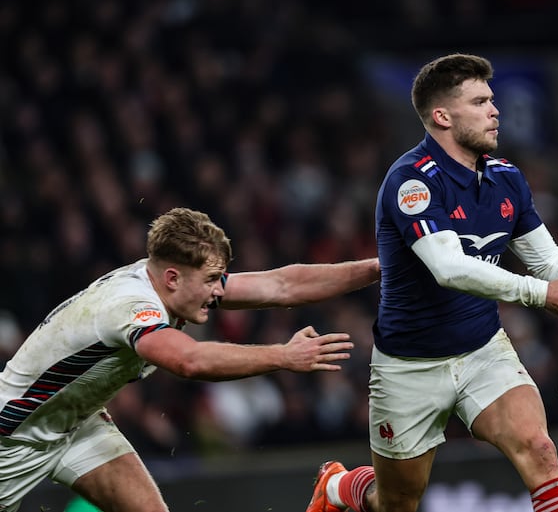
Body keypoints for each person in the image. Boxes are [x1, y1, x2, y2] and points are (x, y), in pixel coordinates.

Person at [305, 53, 558, 512]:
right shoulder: (411, 182)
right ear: (442, 116)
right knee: (395, 502)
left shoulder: (506, 178)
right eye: (480, 102)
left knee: (540, 450)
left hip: (483, 352)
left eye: (492, 99)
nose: (495, 111)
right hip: (410, 365)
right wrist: (537, 294)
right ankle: (337, 486)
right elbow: (449, 268)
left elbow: (548, 260)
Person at [0, 207, 380, 512]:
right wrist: (283, 355)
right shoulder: (129, 306)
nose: (219, 291)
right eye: (212, 279)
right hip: (12, 438)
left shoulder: (169, 282)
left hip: (77, 426)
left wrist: (379, 269)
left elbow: (281, 285)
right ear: (172, 278)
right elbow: (190, 361)